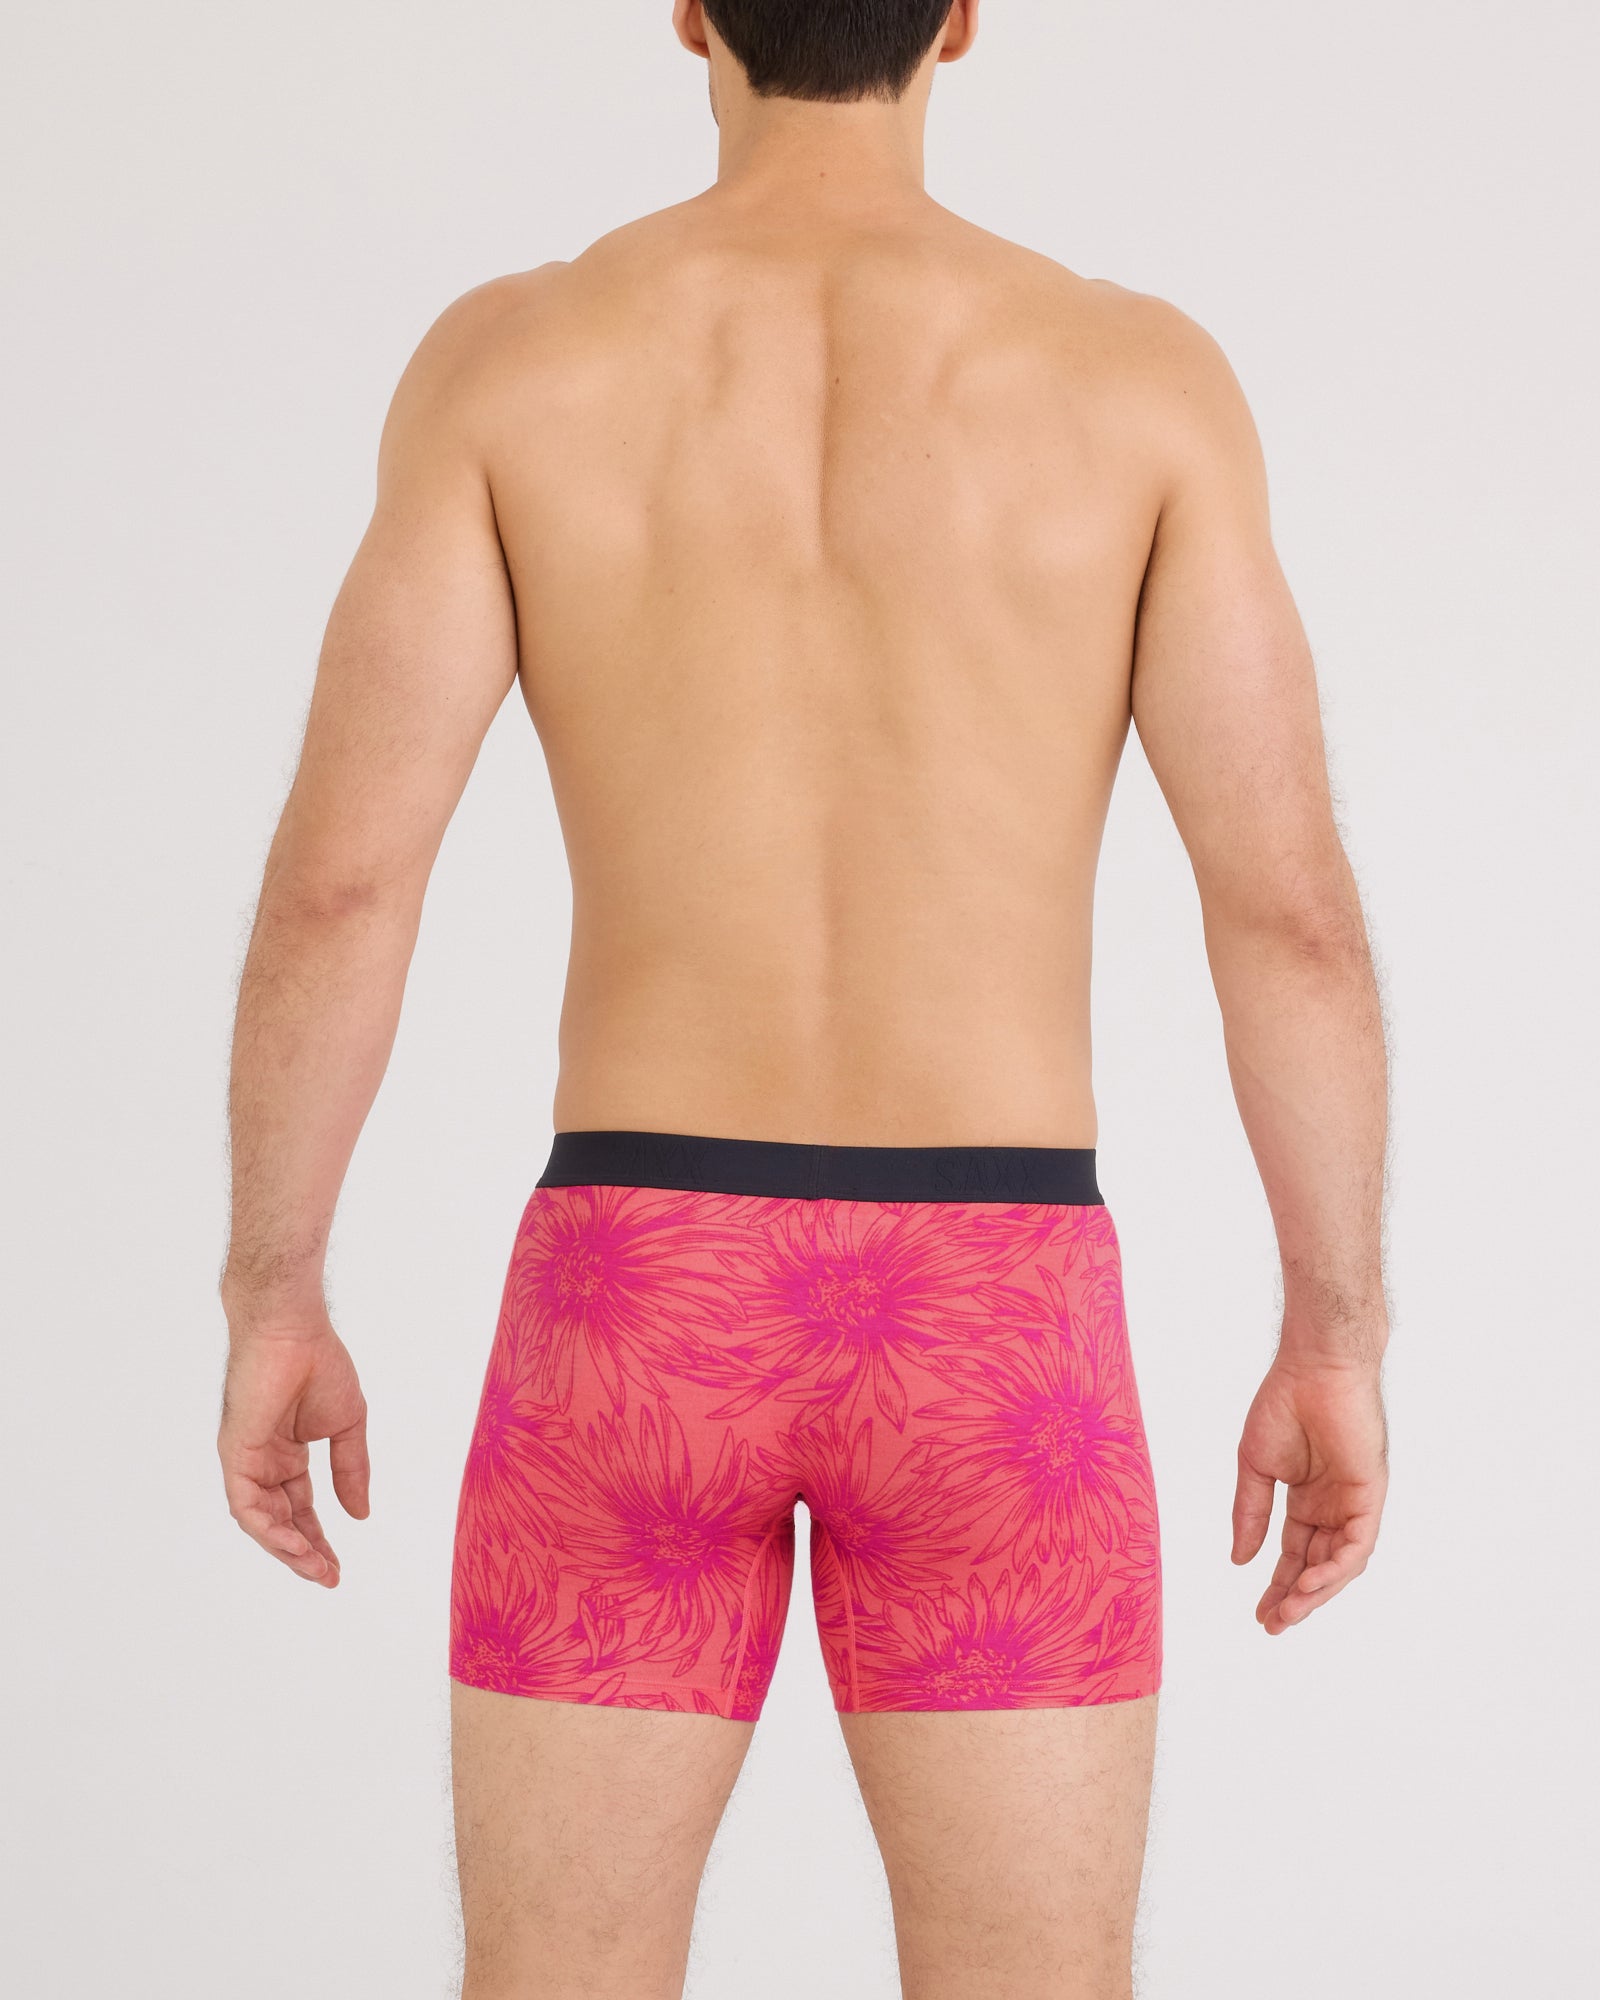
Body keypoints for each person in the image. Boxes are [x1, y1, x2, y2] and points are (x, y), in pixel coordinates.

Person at [217, 3, 1390, 1994]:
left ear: (690, 10)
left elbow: (343, 886)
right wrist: (1333, 1330)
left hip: (631, 1298)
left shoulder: (515, 364)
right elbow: (1283, 916)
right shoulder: (1138, 388)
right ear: (960, 18)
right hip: (996, 1317)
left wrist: (275, 1289)